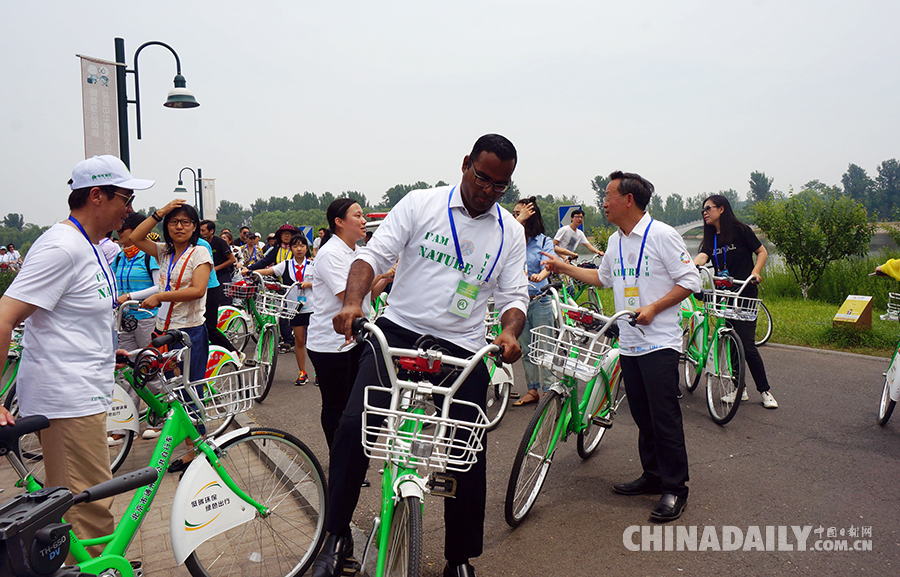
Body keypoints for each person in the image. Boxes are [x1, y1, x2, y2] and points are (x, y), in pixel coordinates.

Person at [310, 134, 528, 577]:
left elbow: (514, 295)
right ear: (466, 164)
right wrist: (352, 303)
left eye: (500, 185)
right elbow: (372, 257)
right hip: (399, 330)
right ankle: (335, 536)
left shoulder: (511, 231)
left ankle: (459, 558)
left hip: (463, 345)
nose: (488, 191)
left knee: (468, 446)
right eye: (482, 178)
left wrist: (508, 331)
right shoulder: (420, 204)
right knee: (353, 426)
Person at [0, 154, 153, 555]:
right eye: (126, 198)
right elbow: (4, 317)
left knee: (85, 506)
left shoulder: (89, 245)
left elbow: (73, 314)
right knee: (88, 515)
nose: (130, 209)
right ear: (97, 195)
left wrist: (105, 350)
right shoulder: (62, 247)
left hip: (82, 393)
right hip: (66, 401)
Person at [542, 171, 701, 523]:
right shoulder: (615, 241)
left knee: (664, 418)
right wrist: (562, 267)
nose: (603, 202)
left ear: (629, 200)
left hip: (659, 342)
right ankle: (653, 476)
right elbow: (603, 278)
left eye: (608, 195)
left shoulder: (662, 235)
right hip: (628, 342)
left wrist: (654, 308)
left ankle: (676, 488)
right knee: (643, 415)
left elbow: (691, 280)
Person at [130, 199, 213, 472]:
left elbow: (198, 290)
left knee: (190, 390)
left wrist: (160, 296)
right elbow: (135, 237)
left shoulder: (200, 253)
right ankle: (193, 445)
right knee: (174, 391)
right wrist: (161, 212)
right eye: (174, 222)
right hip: (164, 330)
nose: (179, 227)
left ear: (194, 227)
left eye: (185, 222)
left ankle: (198, 450)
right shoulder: (163, 252)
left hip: (189, 331)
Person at [694, 195, 777, 409]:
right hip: (725, 295)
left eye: (708, 208)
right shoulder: (710, 239)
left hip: (744, 293)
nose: (705, 213)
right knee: (730, 341)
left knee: (747, 345)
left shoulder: (741, 231)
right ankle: (740, 388)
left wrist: (755, 272)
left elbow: (761, 251)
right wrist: (692, 265)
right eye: (703, 210)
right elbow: (703, 257)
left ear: (721, 209)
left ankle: (765, 391)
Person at [306, 199, 370, 447]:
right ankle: (339, 457)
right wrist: (378, 277)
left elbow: (368, 294)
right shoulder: (330, 254)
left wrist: (385, 277)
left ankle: (350, 456)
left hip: (355, 338)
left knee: (355, 404)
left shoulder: (357, 252)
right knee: (337, 405)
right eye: (358, 215)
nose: (364, 220)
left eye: (363, 215)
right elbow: (348, 296)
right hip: (331, 343)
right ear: (339, 222)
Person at [111, 212, 162, 442]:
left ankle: (158, 419)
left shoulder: (149, 256)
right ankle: (123, 425)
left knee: (150, 369)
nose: (119, 232)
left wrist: (130, 296)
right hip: (124, 321)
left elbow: (159, 286)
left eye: (123, 228)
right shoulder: (119, 258)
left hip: (146, 318)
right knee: (125, 373)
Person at [510, 197, 555, 407]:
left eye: (518, 213)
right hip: (519, 302)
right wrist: (518, 222)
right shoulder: (513, 239)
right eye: (514, 214)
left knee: (544, 348)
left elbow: (549, 265)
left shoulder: (544, 241)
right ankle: (532, 390)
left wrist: (541, 275)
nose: (515, 217)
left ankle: (548, 392)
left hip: (540, 300)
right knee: (526, 349)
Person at [254, 233, 314, 386]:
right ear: (291, 248)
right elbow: (269, 271)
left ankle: (318, 371)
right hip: (295, 309)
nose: (299, 249)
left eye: (302, 246)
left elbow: (324, 282)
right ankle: (302, 372)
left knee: (315, 341)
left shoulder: (313, 265)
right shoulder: (286, 264)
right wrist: (251, 271)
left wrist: (309, 284)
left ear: (307, 248)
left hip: (313, 308)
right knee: (299, 340)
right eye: (295, 246)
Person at [247, 223, 300, 352]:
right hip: (280, 286)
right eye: (284, 234)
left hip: (295, 286)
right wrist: (249, 269)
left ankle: (298, 339)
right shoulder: (276, 249)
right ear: (279, 236)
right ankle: (288, 341)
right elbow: (264, 262)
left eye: (289, 234)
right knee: (282, 313)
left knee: (296, 314)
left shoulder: (296, 249)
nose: (286, 236)